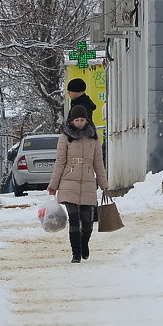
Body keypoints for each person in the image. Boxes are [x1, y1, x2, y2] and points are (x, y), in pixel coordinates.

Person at [47, 105, 108, 263]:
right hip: (68, 182)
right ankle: (75, 253)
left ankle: (84, 243)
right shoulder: (65, 137)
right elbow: (60, 162)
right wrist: (53, 185)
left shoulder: (93, 137)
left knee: (87, 222)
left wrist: (104, 183)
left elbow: (98, 163)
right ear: (72, 120)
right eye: (77, 120)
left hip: (88, 182)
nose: (80, 123)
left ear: (87, 120)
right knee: (74, 219)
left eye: (82, 119)